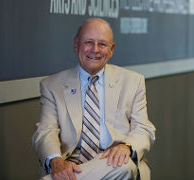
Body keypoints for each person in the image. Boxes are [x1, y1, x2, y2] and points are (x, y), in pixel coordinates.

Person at [32, 18, 156, 180]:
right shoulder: (52, 85)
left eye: (102, 44)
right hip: (71, 164)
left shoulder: (133, 81)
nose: (95, 50)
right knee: (123, 170)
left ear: (111, 50)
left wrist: (126, 147)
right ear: (76, 45)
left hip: (113, 160)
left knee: (124, 167)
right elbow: (46, 131)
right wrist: (56, 161)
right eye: (89, 42)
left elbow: (143, 128)